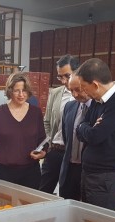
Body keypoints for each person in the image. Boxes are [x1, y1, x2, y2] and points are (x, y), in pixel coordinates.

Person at [76, 58, 115, 211]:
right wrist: (86, 127)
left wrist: (87, 128)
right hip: (89, 174)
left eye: (84, 87)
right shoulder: (98, 101)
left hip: (105, 178)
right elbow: (80, 127)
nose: (84, 92)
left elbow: (95, 136)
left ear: (95, 85)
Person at [0, 73, 47, 189]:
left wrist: (43, 152)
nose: (21, 95)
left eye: (24, 90)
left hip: (30, 173)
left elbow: (42, 140)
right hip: (4, 174)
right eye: (16, 91)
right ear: (9, 91)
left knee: (30, 206)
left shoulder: (36, 113)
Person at [40, 54, 80, 194]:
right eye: (60, 77)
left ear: (77, 72)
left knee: (67, 193)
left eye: (67, 76)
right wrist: (49, 144)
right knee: (43, 190)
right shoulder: (55, 93)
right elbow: (47, 121)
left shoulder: (84, 95)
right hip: (55, 151)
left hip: (72, 157)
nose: (63, 81)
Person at [59, 72, 92, 201]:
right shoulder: (69, 107)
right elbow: (66, 136)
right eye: (71, 90)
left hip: (88, 170)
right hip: (69, 169)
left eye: (78, 90)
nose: (74, 95)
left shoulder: (99, 109)